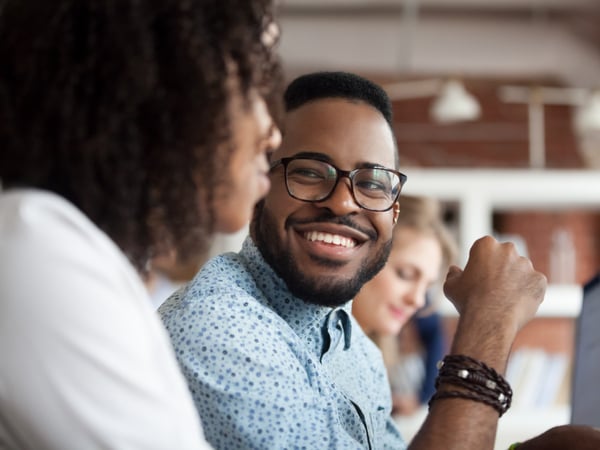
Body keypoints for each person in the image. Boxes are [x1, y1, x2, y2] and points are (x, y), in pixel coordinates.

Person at [160, 71, 599, 449]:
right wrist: (489, 322)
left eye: (372, 182)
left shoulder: (354, 345)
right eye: (310, 172)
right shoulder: (221, 328)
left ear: (394, 207)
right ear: (260, 184)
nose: (343, 202)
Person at [0, 0, 282, 448]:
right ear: (164, 96)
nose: (272, 130)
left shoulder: (72, 250)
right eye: (250, 90)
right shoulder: (38, 247)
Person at [351, 195, 457, 416]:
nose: (418, 301)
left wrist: (422, 397)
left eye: (427, 286)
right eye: (406, 274)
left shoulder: (370, 361)